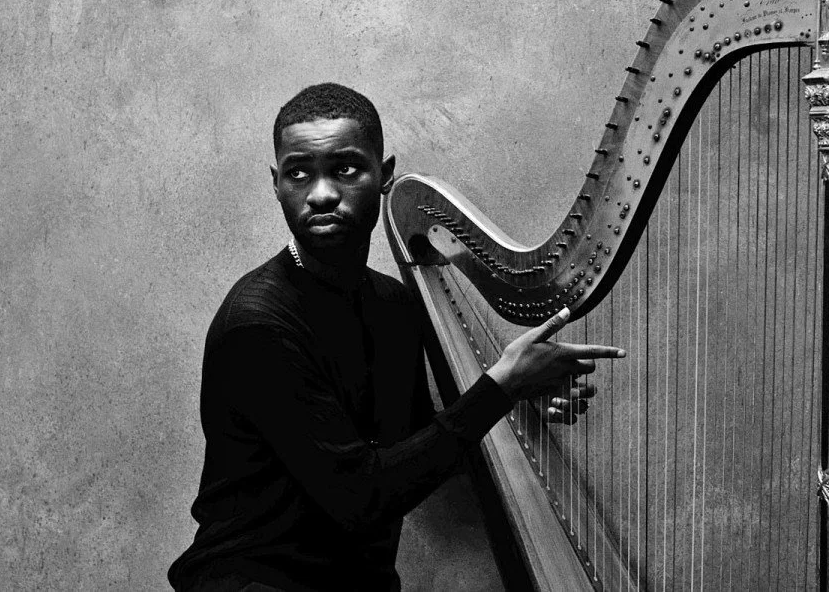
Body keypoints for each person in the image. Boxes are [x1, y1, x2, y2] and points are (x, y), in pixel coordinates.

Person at [168, 83, 625, 591]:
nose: (321, 194)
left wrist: (519, 400)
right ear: (276, 183)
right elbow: (362, 499)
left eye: (345, 169)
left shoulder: (392, 304)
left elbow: (416, 453)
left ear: (384, 175)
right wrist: (501, 387)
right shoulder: (257, 324)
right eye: (298, 173)